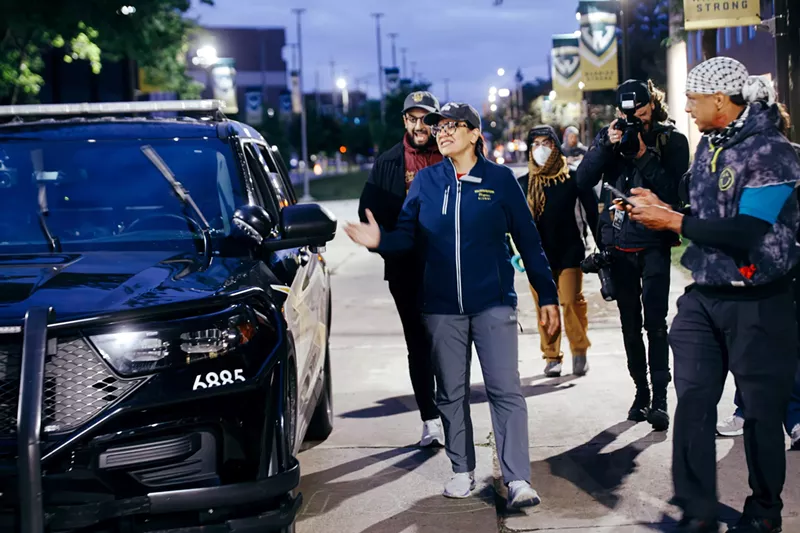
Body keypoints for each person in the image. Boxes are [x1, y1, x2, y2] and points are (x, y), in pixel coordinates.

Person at [345, 102, 560, 508]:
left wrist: (547, 294)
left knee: (505, 390)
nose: (441, 132)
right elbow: (406, 236)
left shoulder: (500, 180)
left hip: (493, 302)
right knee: (451, 392)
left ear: (476, 133)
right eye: (437, 127)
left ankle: (517, 479)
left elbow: (528, 242)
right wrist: (381, 242)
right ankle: (462, 470)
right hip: (442, 307)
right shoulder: (426, 182)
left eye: (452, 126)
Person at [624, 57, 800, 533]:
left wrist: (674, 222)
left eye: (694, 99)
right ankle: (697, 508)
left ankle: (764, 512)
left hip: (760, 299)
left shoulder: (773, 150)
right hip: (704, 293)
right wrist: (664, 208)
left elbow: (747, 230)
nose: (685, 107)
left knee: (763, 415)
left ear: (721, 101)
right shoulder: (709, 145)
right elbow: (704, 214)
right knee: (695, 399)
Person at [576, 79, 690, 432]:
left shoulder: (671, 140)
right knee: (629, 327)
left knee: (655, 325)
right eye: (630, 116)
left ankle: (660, 398)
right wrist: (601, 146)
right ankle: (640, 392)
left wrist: (642, 154)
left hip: (654, 243)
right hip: (619, 245)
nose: (635, 122)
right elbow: (582, 180)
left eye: (641, 115)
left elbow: (674, 190)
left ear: (651, 107)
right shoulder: (610, 136)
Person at [357, 91, 444, 447]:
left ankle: (453, 411)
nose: (419, 125)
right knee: (419, 343)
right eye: (412, 118)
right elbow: (368, 213)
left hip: (449, 267)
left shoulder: (452, 155)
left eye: (426, 118)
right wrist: (390, 249)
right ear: (404, 121)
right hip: (406, 271)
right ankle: (430, 418)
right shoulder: (389, 162)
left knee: (450, 341)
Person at [513, 125, 599, 377]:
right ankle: (552, 356)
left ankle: (579, 350)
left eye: (546, 143)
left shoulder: (572, 178)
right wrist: (514, 252)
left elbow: (592, 213)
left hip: (569, 251)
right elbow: (511, 223)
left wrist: (601, 248)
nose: (541, 149)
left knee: (572, 302)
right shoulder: (523, 183)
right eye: (535, 143)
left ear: (556, 145)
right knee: (544, 307)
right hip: (537, 258)